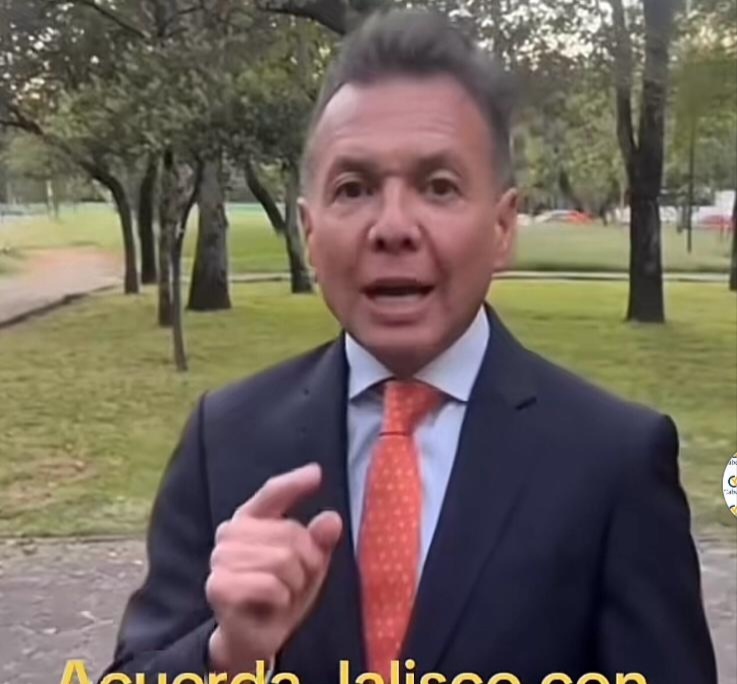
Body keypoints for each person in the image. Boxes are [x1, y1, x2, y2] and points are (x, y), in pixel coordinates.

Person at [100, 9, 717, 684]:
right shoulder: (224, 440)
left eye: (438, 187)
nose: (392, 226)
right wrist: (228, 655)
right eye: (354, 189)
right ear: (309, 232)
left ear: (502, 228)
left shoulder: (613, 462)